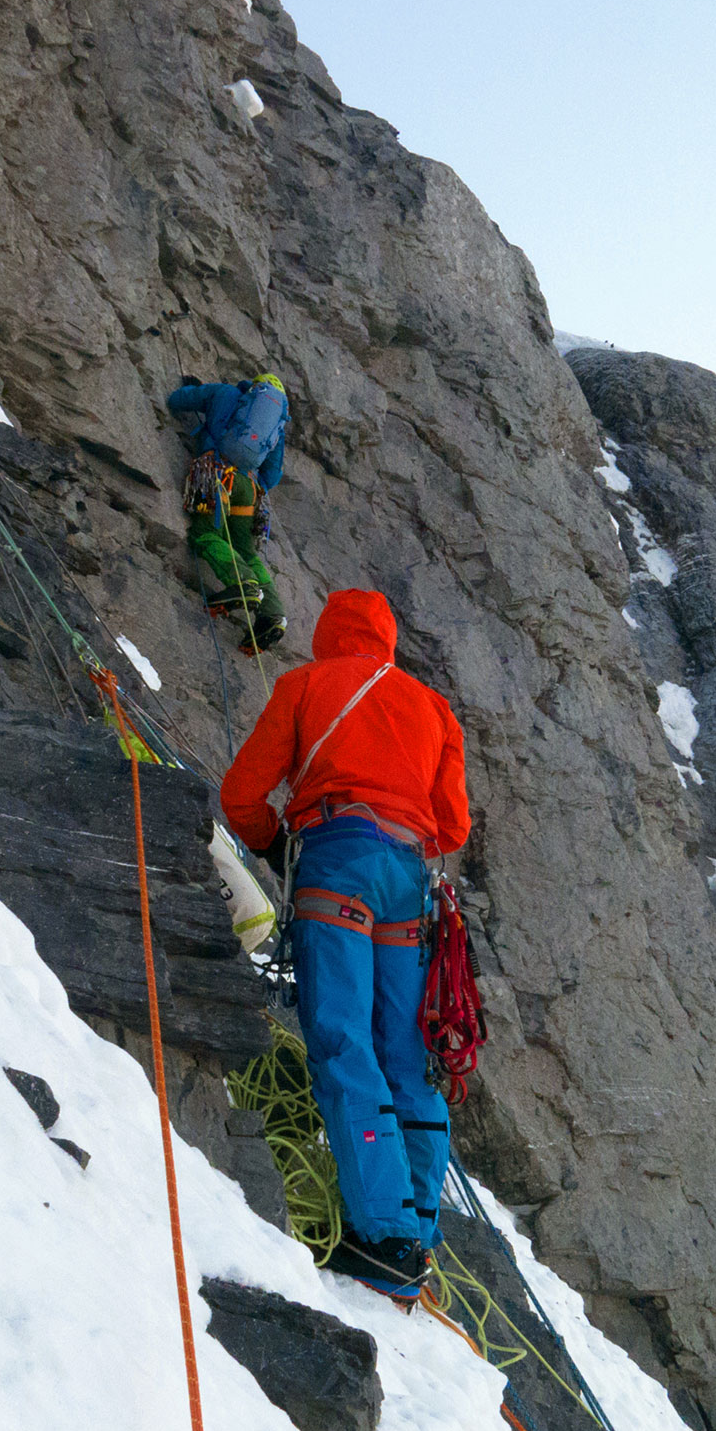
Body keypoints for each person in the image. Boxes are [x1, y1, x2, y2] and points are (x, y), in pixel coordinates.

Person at [220, 589, 472, 1299]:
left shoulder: (305, 685)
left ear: (331, 634)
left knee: (341, 1039)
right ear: (388, 641)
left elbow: (243, 794)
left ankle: (383, 1237)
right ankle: (416, 1229)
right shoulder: (434, 709)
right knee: (404, 1054)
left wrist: (277, 849)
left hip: (336, 863)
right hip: (408, 883)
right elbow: (451, 828)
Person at [166, 373, 290, 657]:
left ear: (253, 387)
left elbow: (177, 400)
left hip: (217, 473)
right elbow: (271, 475)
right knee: (246, 551)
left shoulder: (226, 393)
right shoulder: (277, 426)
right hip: (248, 487)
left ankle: (242, 584)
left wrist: (195, 391)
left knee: (205, 533)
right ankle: (273, 614)